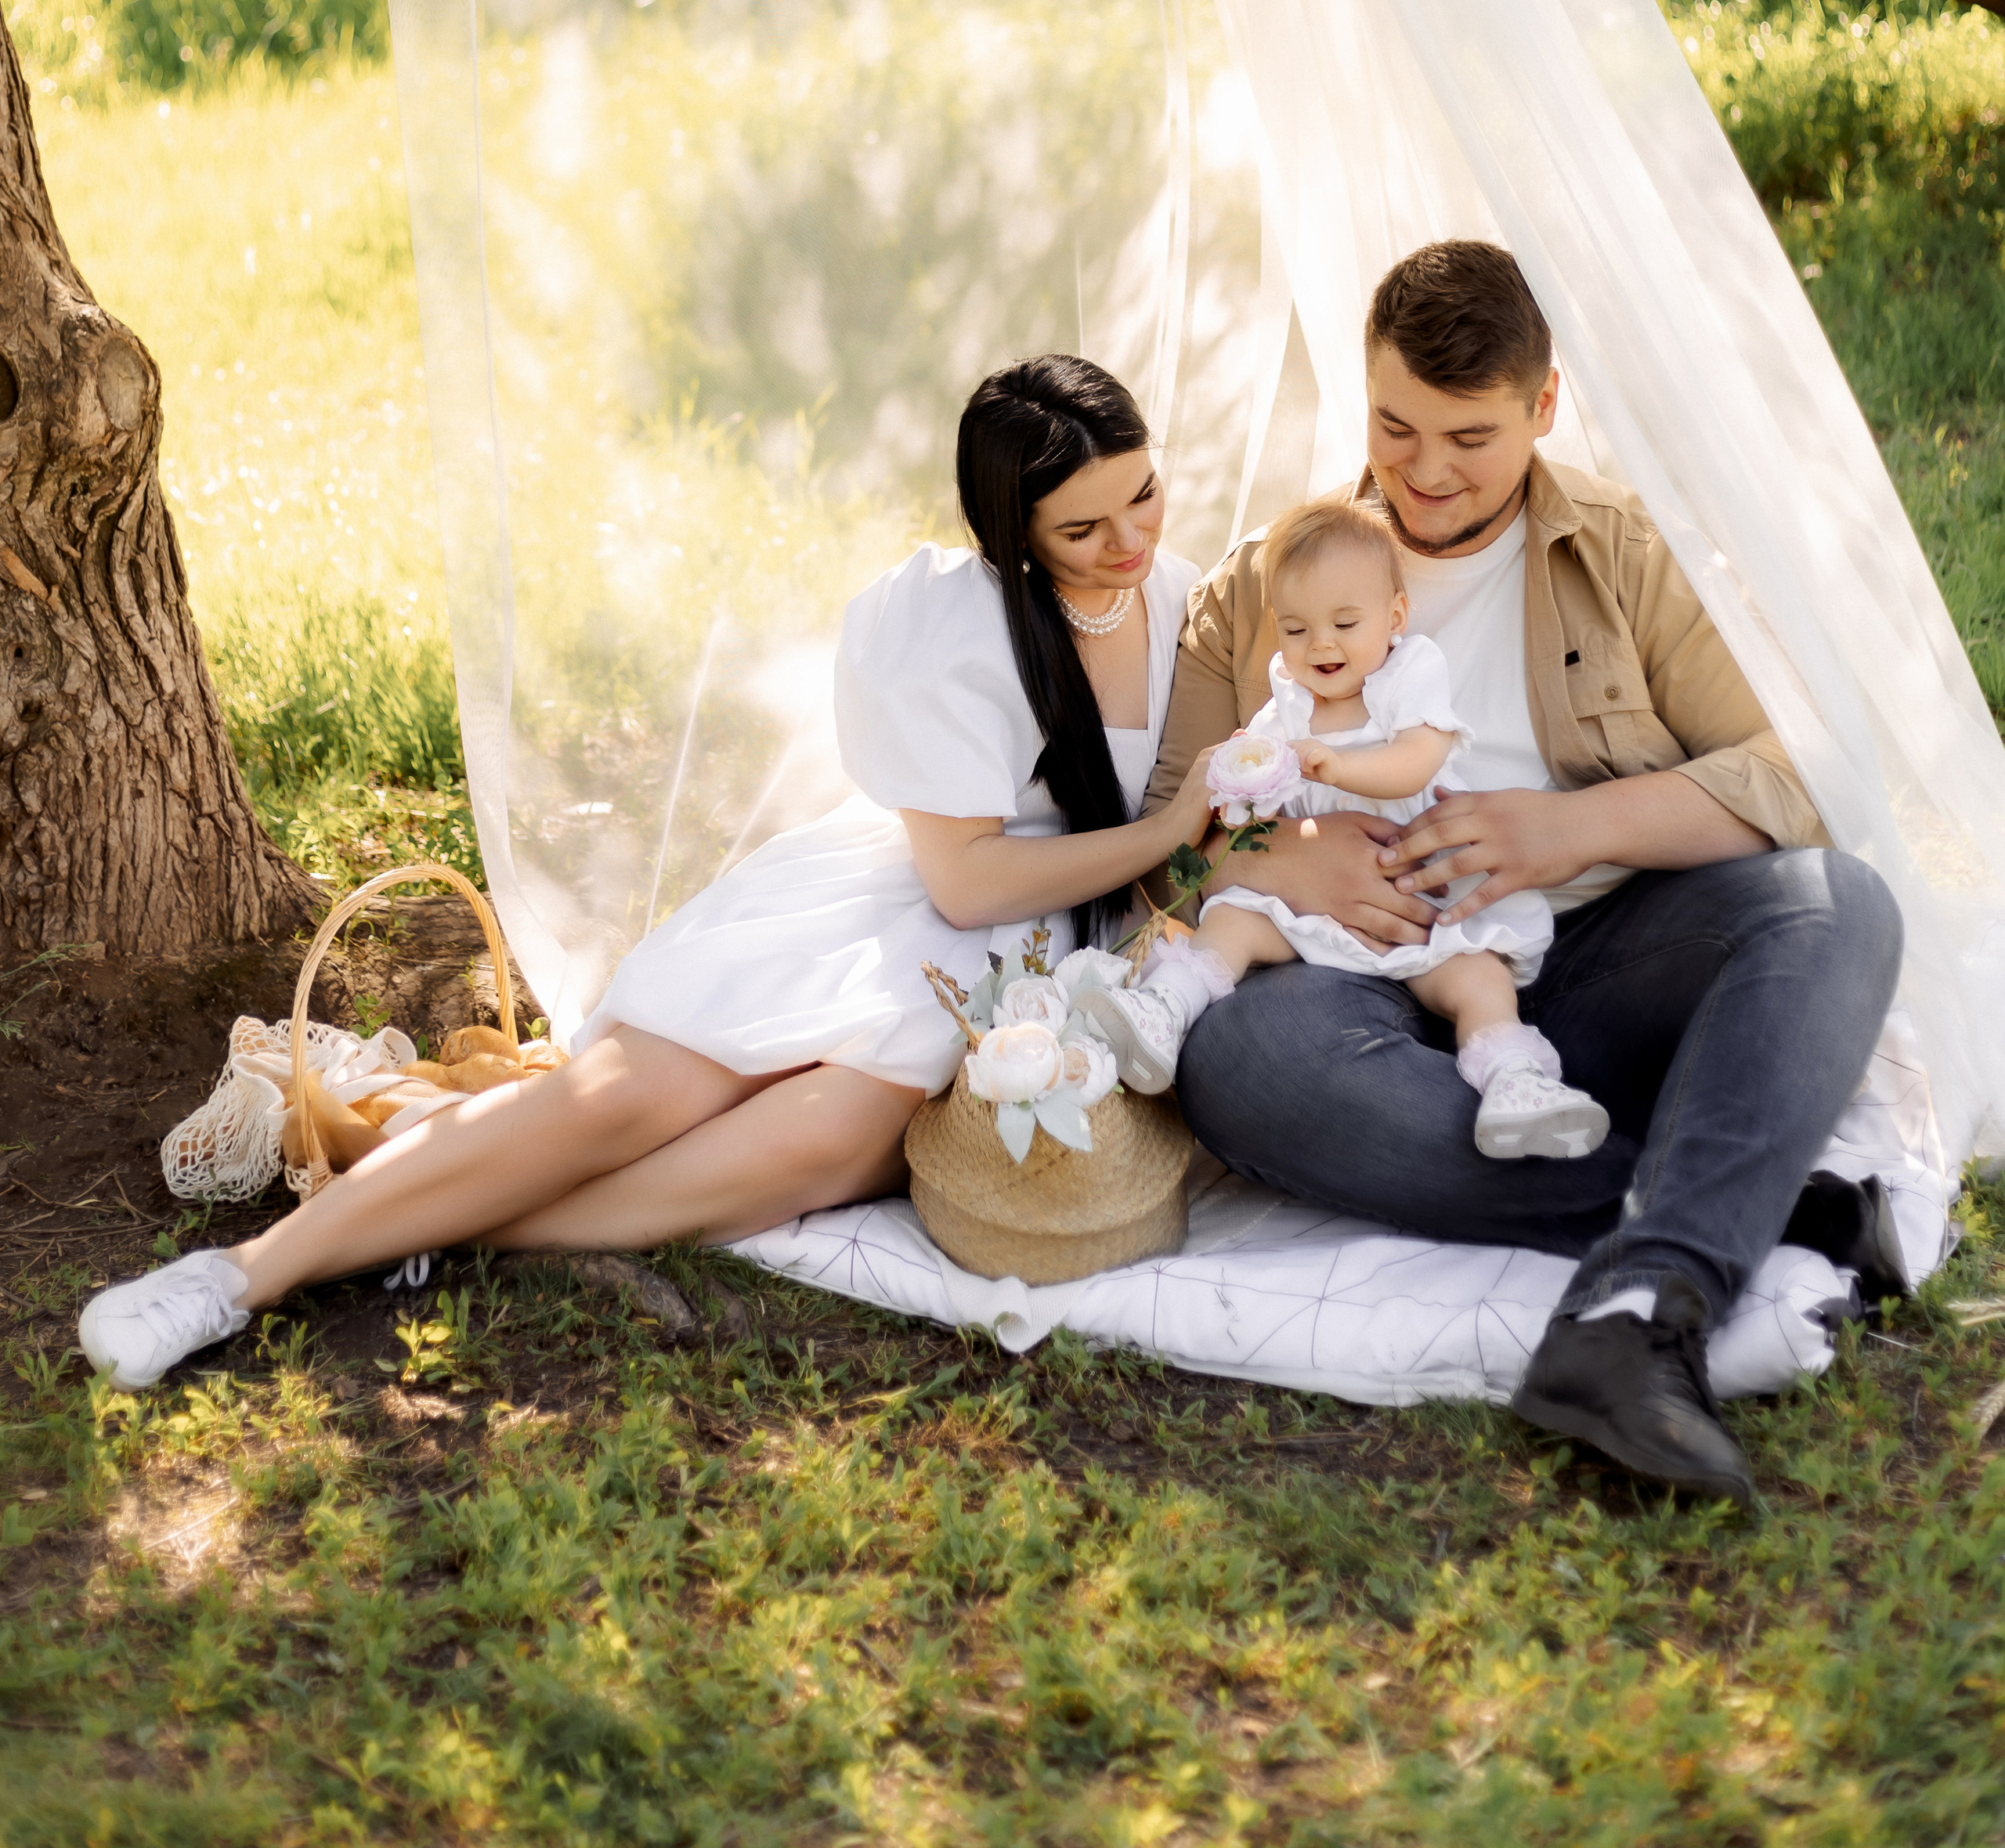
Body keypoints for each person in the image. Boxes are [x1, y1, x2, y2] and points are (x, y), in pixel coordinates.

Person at [79, 355, 1219, 1392]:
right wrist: (1166, 832)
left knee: (820, 1140)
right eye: (1084, 528)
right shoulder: (952, 624)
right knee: (625, 1102)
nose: (1130, 540)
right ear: (1013, 534)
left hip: (1036, 957)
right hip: (915, 905)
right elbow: (964, 884)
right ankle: (239, 1277)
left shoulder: (1187, 607)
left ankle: (441, 1228)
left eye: (1144, 495)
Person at [1151, 240, 1909, 1504]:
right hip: (1350, 987)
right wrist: (1278, 855)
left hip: (1591, 960)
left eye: (1471, 437)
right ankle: (1743, 1213)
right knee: (1236, 1060)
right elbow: (1165, 841)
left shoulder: (1622, 551)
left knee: (1840, 906)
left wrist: (1573, 829)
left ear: (1544, 405)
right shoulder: (1268, 580)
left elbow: (1807, 778)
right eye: (1396, 428)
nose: (1427, 472)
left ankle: (1638, 1309)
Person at [1087, 493, 1611, 1163]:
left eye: (1344, 622)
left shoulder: (1406, 675)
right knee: (1235, 916)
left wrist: (1340, 767)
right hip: (1317, 910)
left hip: (1426, 902)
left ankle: (1513, 1079)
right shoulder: (1286, 708)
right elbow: (1255, 814)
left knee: (1479, 978)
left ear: (1394, 618)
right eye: (1297, 629)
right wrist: (1245, 798)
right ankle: (1168, 1005)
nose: (1321, 644)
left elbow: (1416, 759)